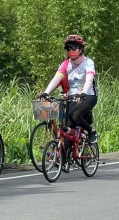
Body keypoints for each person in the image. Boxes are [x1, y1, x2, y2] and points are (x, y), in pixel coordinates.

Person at [38, 34, 98, 171]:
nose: (70, 51)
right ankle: (65, 161)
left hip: (88, 95)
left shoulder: (88, 62)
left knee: (76, 115)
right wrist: (46, 92)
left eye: (74, 48)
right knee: (65, 129)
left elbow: (89, 78)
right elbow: (56, 78)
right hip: (72, 96)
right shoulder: (66, 64)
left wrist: (83, 92)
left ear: (81, 49)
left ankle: (90, 131)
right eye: (68, 48)